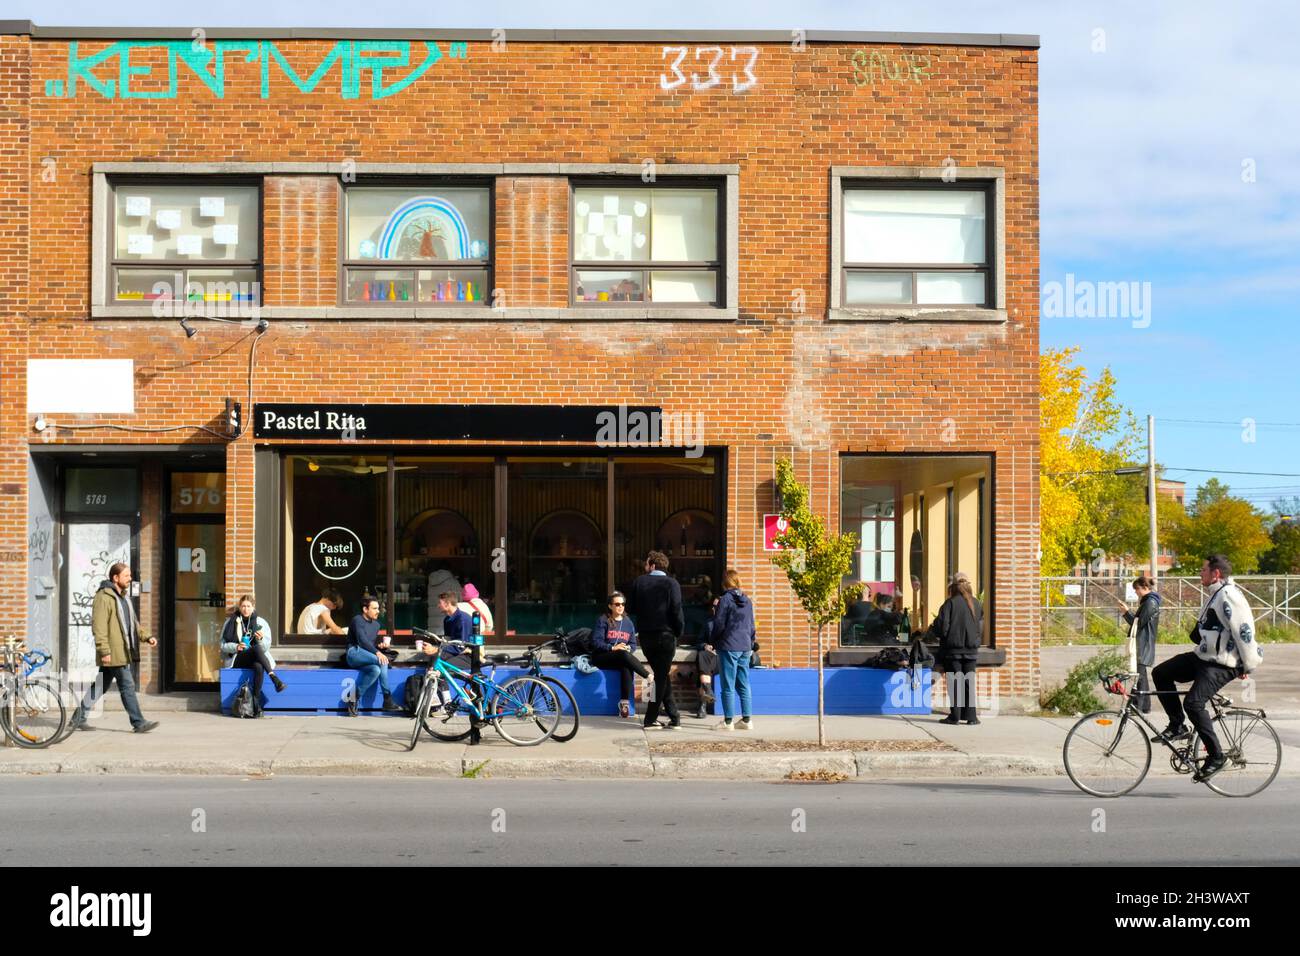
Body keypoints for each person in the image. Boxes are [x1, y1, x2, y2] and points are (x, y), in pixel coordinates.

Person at [1152, 554, 1262, 782]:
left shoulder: (1229, 595)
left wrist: (1247, 664)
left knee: (1193, 703)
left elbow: (1244, 630)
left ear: (1216, 573)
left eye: (1203, 570)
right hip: (1204, 657)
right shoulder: (1215, 594)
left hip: (1223, 663)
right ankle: (1177, 725)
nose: (1200, 573)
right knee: (1161, 673)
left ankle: (1216, 756)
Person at [70, 562, 159, 733]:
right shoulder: (104, 597)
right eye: (127, 575)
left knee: (100, 686)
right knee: (127, 685)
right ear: (115, 578)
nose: (130, 578)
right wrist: (104, 651)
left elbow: (132, 624)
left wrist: (147, 637)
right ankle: (138, 722)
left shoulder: (123, 598)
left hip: (122, 651)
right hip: (113, 652)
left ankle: (77, 719)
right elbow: (99, 626)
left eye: (130, 575)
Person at [627, 550, 684, 729]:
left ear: (652, 565)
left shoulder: (639, 582)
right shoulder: (672, 583)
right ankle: (650, 720)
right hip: (666, 636)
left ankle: (674, 717)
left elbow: (631, 607)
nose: (645, 566)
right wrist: (678, 631)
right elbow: (676, 610)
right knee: (660, 677)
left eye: (646, 563)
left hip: (646, 637)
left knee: (661, 675)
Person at [928, 571, 983, 725]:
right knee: (968, 683)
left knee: (955, 683)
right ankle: (972, 717)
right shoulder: (976, 603)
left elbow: (942, 628)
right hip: (971, 651)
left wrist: (934, 630)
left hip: (953, 651)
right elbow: (980, 627)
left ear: (953, 587)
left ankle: (955, 716)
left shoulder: (950, 603)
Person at [589, 591, 652, 719]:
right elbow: (596, 642)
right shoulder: (603, 620)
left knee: (626, 665)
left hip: (621, 658)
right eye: (617, 604)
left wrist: (629, 648)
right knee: (623, 656)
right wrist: (612, 647)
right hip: (601, 657)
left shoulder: (628, 623)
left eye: (623, 604)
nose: (620, 606)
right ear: (610, 606)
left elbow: (633, 644)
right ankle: (648, 675)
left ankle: (624, 703)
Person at [220, 595, 285, 715]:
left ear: (253, 607)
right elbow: (222, 645)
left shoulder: (261, 622)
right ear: (239, 607)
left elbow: (266, 647)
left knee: (259, 667)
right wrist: (236, 647)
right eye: (243, 606)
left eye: (248, 606)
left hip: (256, 658)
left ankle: (256, 704)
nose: (246, 609)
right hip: (238, 657)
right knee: (255, 648)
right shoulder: (231, 621)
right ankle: (273, 677)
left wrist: (260, 640)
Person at [711, 569, 757, 731]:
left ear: (725, 583)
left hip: (729, 646)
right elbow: (752, 626)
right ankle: (746, 720)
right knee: (744, 684)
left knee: (728, 685)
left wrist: (714, 641)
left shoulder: (725, 600)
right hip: (745, 646)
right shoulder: (748, 601)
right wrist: (750, 643)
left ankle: (728, 722)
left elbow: (719, 624)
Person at [344, 596, 401, 716]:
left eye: (378, 608)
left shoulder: (376, 625)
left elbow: (369, 644)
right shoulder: (357, 620)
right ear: (365, 609)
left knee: (375, 670)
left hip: (366, 655)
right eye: (375, 608)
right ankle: (387, 698)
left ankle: (353, 698)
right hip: (353, 653)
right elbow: (362, 641)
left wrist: (380, 647)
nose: (378, 611)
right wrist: (378, 653)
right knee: (382, 660)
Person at [1117, 576, 1161, 714]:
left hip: (1143, 644)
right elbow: (1139, 622)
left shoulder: (1150, 603)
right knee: (1140, 675)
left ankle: (1137, 705)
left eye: (1137, 589)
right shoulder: (1148, 602)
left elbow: (1138, 623)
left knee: (1139, 676)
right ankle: (1144, 706)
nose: (1136, 592)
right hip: (1142, 642)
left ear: (1145, 588)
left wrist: (1126, 612)